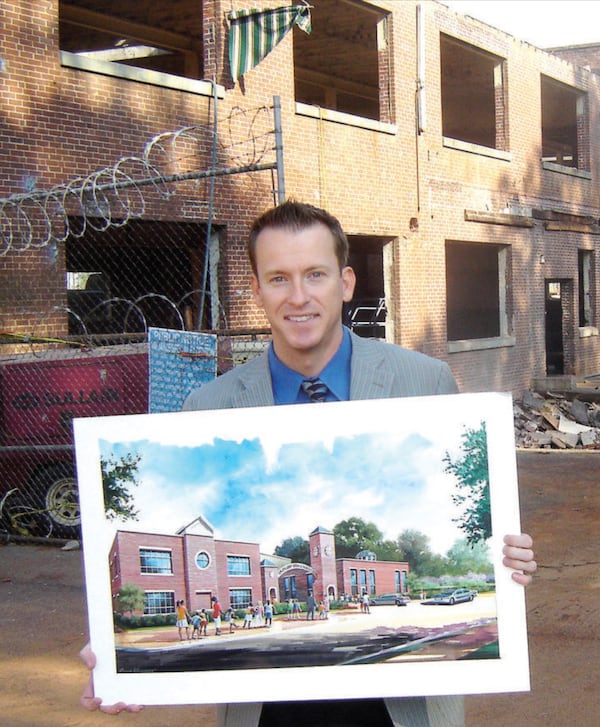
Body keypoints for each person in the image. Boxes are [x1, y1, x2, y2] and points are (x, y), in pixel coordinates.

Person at [80, 200, 536, 723]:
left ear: (345, 282)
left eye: (314, 275)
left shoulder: (423, 382)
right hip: (268, 712)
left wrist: (508, 556)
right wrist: (115, 662)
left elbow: (484, 535)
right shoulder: (207, 408)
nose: (298, 297)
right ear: (256, 290)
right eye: (278, 278)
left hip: (401, 710)